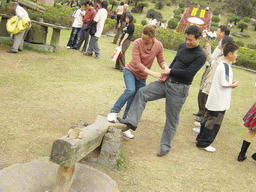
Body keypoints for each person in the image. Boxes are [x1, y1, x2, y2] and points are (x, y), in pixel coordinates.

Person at [118, 25, 206, 156]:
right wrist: (166, 73)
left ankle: (165, 146)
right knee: (142, 93)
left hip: (179, 89)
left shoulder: (201, 55)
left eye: (191, 40)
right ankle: (131, 121)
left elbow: (189, 73)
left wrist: (170, 71)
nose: (187, 42)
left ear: (199, 38)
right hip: (166, 82)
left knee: (172, 118)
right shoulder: (182, 46)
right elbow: (175, 63)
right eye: (186, 38)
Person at [107, 25, 168, 139]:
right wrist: (153, 74)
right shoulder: (137, 43)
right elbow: (137, 63)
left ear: (154, 36)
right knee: (130, 90)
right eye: (143, 38)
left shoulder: (158, 45)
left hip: (142, 77)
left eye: (147, 40)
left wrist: (165, 68)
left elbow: (161, 60)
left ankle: (125, 125)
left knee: (135, 99)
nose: (144, 41)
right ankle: (113, 112)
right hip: (130, 71)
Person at [196, 42, 239, 152]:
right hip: (218, 100)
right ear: (230, 54)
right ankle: (204, 143)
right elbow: (224, 83)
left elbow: (223, 81)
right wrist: (232, 85)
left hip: (216, 98)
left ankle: (200, 139)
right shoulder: (224, 66)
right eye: (236, 53)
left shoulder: (224, 65)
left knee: (207, 119)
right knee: (213, 122)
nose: (236, 56)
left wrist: (230, 83)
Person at [192, 36, 235, 133]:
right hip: (209, 83)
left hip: (212, 85)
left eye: (221, 42)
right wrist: (208, 51)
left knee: (209, 109)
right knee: (207, 107)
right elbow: (211, 62)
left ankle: (202, 127)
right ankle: (202, 124)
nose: (219, 42)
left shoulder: (225, 59)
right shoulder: (220, 55)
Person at [193, 25, 230, 122]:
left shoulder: (225, 50)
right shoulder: (220, 45)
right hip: (210, 69)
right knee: (201, 91)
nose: (216, 33)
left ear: (223, 33)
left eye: (218, 31)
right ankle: (201, 112)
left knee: (206, 94)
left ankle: (203, 118)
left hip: (213, 72)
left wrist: (208, 51)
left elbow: (214, 61)